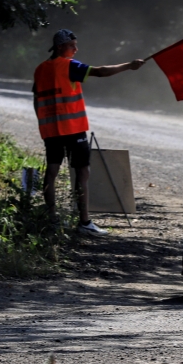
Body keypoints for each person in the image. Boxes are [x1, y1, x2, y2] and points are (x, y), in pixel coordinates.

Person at [34, 29, 145, 236]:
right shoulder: (68, 65)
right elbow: (100, 72)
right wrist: (129, 66)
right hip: (73, 129)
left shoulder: (40, 69)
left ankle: (52, 219)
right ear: (60, 47)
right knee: (83, 172)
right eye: (72, 46)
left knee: (51, 172)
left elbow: (36, 98)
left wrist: (43, 124)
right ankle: (84, 222)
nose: (76, 49)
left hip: (51, 130)